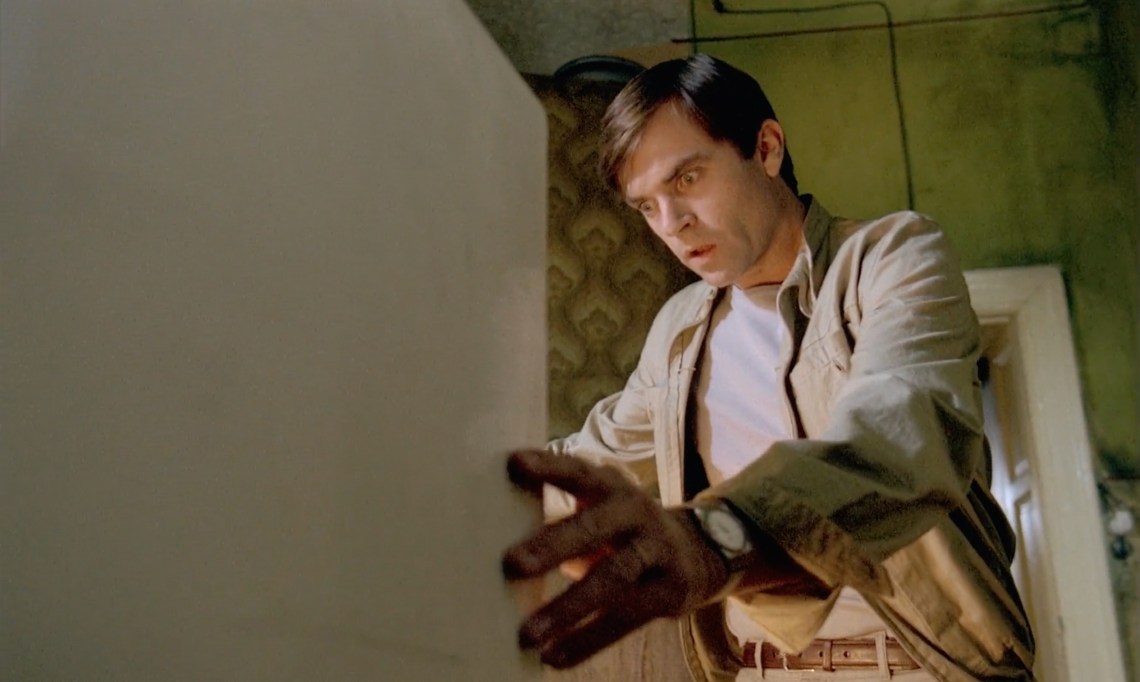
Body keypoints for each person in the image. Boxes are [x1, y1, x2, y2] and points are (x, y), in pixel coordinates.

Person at [502, 54, 1035, 682]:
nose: (672, 225)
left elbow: (899, 437)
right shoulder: (680, 326)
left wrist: (714, 538)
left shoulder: (890, 257)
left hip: (917, 667)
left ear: (767, 148)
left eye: (688, 178)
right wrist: (466, 485)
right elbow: (598, 460)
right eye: (646, 206)